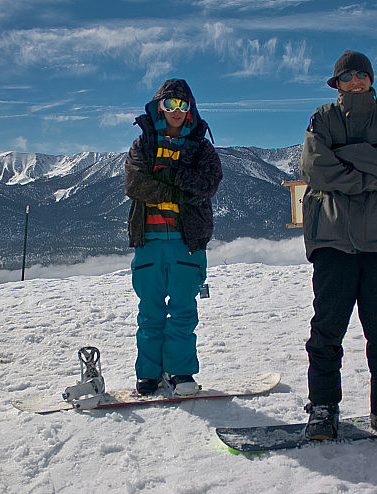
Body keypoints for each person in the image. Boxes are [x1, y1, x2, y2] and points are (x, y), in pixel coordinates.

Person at [300, 51, 377, 448]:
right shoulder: (322, 119)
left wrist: (346, 155)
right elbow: (316, 170)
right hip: (332, 240)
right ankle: (323, 408)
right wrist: (372, 173)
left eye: (361, 74)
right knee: (326, 330)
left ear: (371, 79)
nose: (355, 81)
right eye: (347, 76)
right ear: (336, 83)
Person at [124, 79, 223, 397]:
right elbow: (135, 185)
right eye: (170, 104)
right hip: (149, 241)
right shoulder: (143, 145)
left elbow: (208, 185)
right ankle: (149, 374)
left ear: (190, 108)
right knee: (149, 311)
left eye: (182, 104)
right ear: (159, 108)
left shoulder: (202, 148)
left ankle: (180, 372)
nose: (176, 110)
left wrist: (168, 175)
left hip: (187, 241)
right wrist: (181, 190)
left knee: (183, 310)